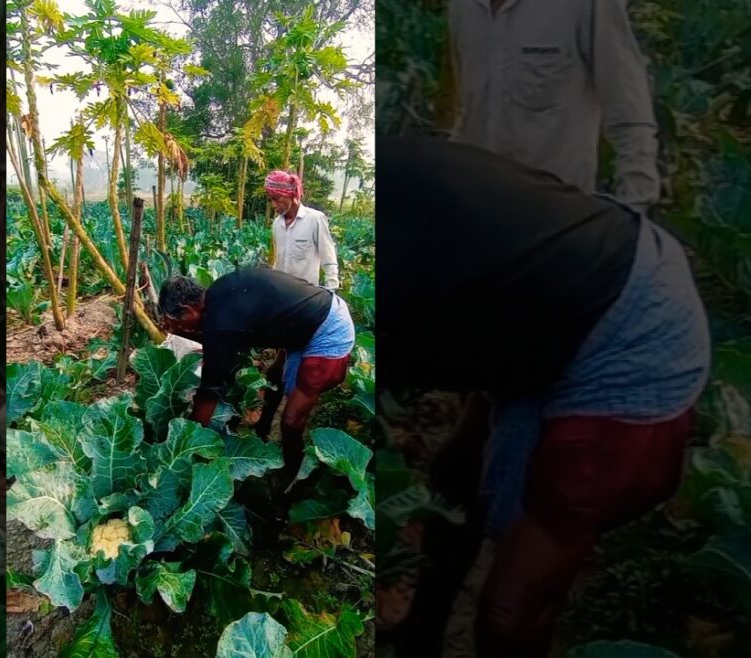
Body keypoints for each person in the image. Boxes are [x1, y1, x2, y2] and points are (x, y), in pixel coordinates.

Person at [378, 137, 710, 658]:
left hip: (632, 331)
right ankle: (419, 638)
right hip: (547, 299)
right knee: (455, 480)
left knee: (511, 613)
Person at [447, 0, 661, 212]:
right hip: (478, 207)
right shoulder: (463, 6)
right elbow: (470, 109)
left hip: (557, 213)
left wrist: (635, 202)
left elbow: (629, 110)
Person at [158, 267, 354, 485]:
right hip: (308, 316)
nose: (177, 328)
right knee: (274, 377)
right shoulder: (218, 294)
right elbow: (222, 341)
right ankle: (262, 432)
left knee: (291, 421)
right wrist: (181, 331)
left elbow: (209, 393)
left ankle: (292, 478)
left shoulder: (222, 321)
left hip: (328, 328)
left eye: (176, 322)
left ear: (188, 310)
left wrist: (186, 444)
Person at [261, 170, 342, 438]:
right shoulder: (277, 225)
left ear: (291, 194)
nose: (274, 205)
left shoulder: (315, 219)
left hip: (306, 302)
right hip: (282, 303)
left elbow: (328, 255)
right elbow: (279, 262)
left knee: (295, 355)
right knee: (285, 354)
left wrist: (331, 290)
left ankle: (290, 412)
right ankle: (276, 411)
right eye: (271, 200)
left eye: (277, 198)